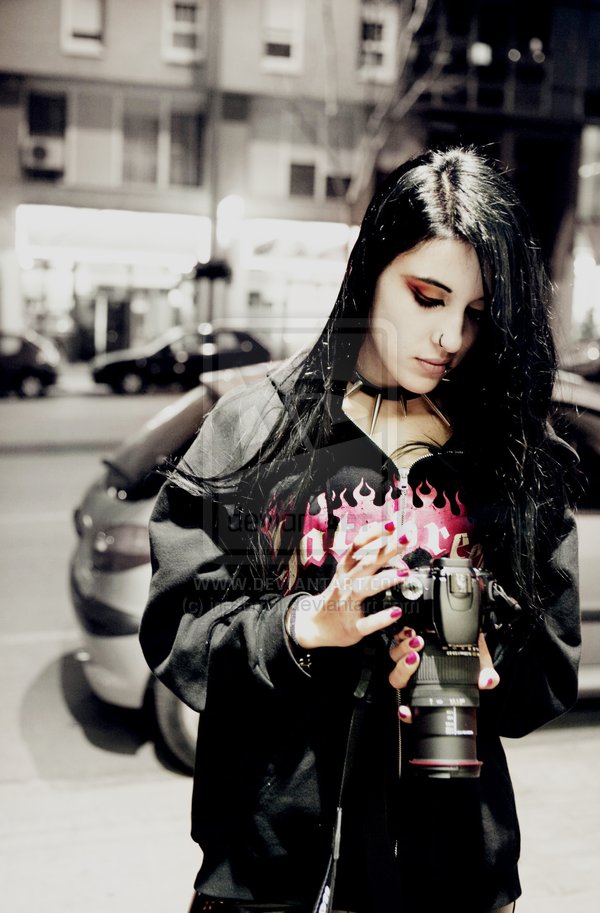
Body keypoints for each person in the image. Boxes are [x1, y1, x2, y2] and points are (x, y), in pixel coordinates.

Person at [139, 147, 581, 913]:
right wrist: (307, 625)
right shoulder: (259, 430)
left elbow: (550, 662)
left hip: (454, 871)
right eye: (427, 296)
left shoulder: (505, 450)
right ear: (368, 267)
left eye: (475, 313)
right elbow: (179, 628)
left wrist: (488, 655)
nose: (449, 337)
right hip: (274, 871)